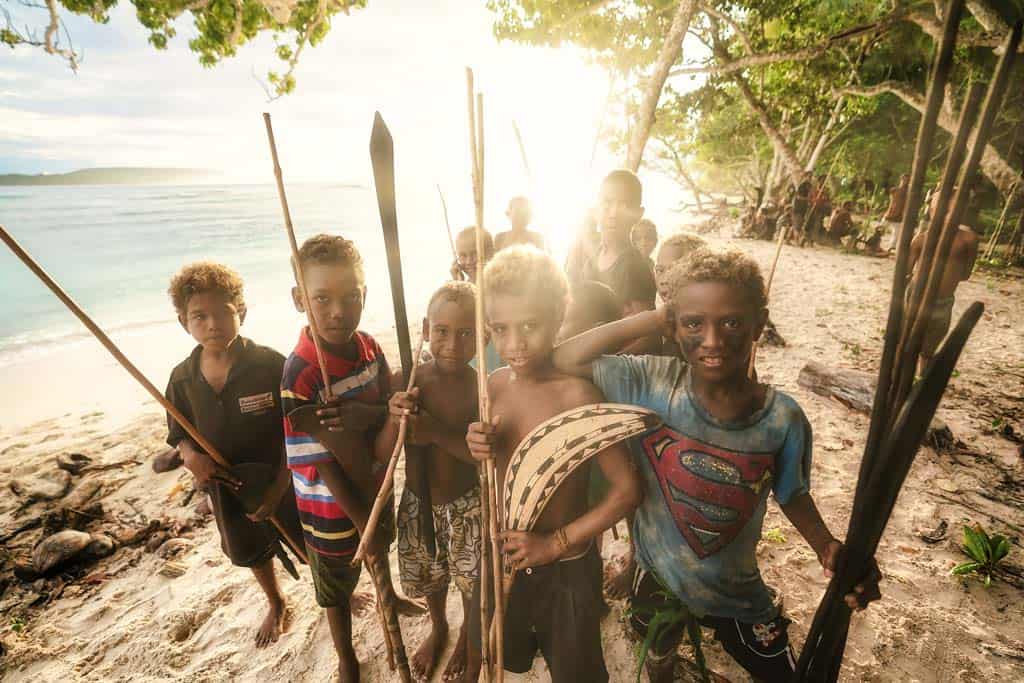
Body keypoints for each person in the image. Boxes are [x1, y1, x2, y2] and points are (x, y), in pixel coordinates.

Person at [552, 248, 882, 682]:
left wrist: (825, 545)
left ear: (758, 324)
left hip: (737, 593)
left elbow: (792, 493)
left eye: (730, 322)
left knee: (783, 673)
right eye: (693, 323)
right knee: (657, 645)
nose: (711, 340)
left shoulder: (783, 419)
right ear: (674, 325)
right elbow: (565, 359)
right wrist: (659, 316)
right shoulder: (652, 383)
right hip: (659, 574)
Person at [463, 245, 642, 682]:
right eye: (499, 329)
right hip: (502, 553)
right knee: (495, 646)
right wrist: (477, 444)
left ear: (558, 316)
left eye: (529, 325)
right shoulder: (492, 387)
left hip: (566, 565)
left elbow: (628, 491)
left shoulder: (576, 396)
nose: (514, 344)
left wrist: (556, 543)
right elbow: (496, 470)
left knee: (575, 667)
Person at [280, 234, 417, 682]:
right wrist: (361, 520)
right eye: (322, 298)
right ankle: (346, 656)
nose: (338, 310)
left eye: (350, 297)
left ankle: (387, 594)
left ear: (364, 295)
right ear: (300, 299)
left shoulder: (369, 348)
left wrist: (383, 409)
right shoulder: (300, 373)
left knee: (381, 548)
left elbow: (382, 409)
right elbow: (317, 460)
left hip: (377, 482)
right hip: (332, 508)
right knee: (336, 587)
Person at [164, 262, 302, 649]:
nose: (213, 324)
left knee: (305, 539)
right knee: (248, 548)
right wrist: (191, 457)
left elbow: (296, 427)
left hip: (282, 477)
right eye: (199, 316)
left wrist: (279, 485)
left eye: (223, 312)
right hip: (227, 488)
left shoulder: (271, 365)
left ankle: (331, 593)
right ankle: (276, 601)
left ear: (241, 310)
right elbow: (178, 432)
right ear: (183, 322)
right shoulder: (182, 378)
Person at [380, 281, 483, 681]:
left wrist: (435, 432)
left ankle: (466, 640)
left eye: (465, 333)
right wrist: (395, 414)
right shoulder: (406, 381)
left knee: (470, 582)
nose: (452, 344)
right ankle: (439, 624)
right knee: (430, 574)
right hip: (418, 501)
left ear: (482, 335)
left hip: (467, 505)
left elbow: (480, 458)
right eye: (442, 331)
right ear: (425, 329)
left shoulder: (481, 389)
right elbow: (384, 447)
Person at [907, 205, 979, 375]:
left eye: (954, 209)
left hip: (944, 301)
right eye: (944, 209)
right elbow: (906, 272)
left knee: (929, 347)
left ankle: (920, 380)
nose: (949, 214)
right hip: (916, 297)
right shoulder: (921, 239)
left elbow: (965, 275)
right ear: (931, 211)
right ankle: (900, 380)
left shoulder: (968, 239)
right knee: (907, 342)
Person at [581, 169, 657, 315]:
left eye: (624, 205)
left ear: (638, 214)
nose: (614, 213)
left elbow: (645, 332)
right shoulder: (593, 258)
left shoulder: (634, 268)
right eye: (607, 203)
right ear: (596, 208)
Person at [565, 209, 600, 287]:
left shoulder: (600, 240)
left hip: (591, 287)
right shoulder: (576, 242)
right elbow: (569, 271)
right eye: (588, 221)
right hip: (579, 286)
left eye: (591, 221)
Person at [884, 173, 910, 252]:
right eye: (904, 179)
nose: (905, 181)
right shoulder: (894, 190)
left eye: (907, 180)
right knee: (880, 228)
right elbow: (891, 202)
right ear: (901, 179)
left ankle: (891, 248)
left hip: (899, 215)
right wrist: (888, 211)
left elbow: (906, 203)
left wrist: (903, 213)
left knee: (896, 233)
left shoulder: (908, 192)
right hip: (890, 212)